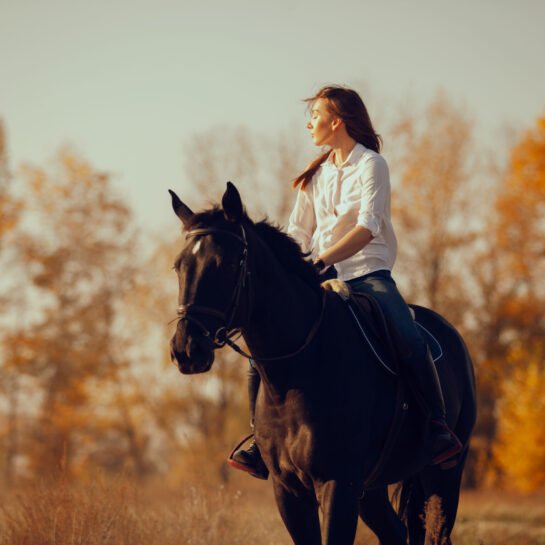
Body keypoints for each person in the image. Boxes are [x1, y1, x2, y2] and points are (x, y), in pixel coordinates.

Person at [229, 85, 462, 479]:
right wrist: (297, 267)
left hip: (367, 275)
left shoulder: (372, 165)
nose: (309, 122)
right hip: (318, 278)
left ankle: (437, 427)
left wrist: (323, 260)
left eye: (316, 115)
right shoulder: (314, 175)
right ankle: (258, 440)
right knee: (261, 348)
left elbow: (368, 227)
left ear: (336, 121)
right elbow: (297, 233)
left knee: (410, 336)